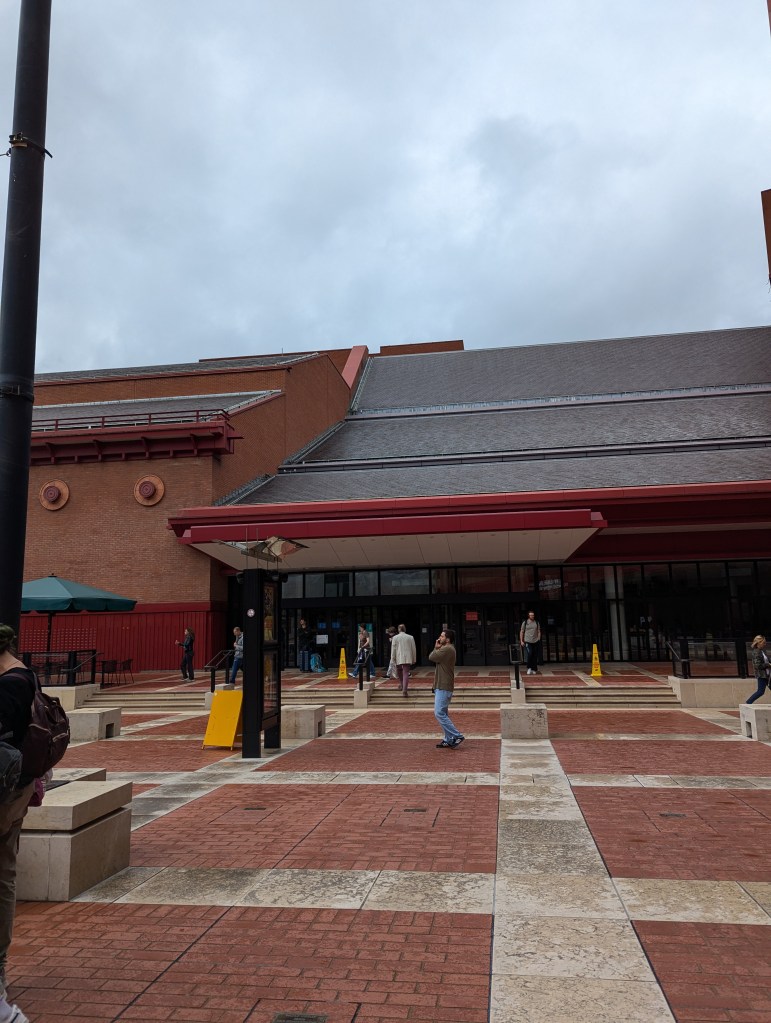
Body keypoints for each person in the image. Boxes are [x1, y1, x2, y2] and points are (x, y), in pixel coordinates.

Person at [0, 624, 37, 1023]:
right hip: (18, 791)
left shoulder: (10, 685)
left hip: (6, 795)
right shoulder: (23, 675)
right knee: (5, 874)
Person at [430, 628, 464, 748]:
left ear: (448, 639)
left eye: (442, 636)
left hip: (444, 685)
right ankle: (448, 739)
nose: (440, 638)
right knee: (443, 713)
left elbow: (431, 657)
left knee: (439, 713)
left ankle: (457, 735)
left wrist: (436, 647)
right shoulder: (447, 649)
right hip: (441, 685)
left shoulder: (447, 649)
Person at [391, 624, 416, 697]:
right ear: (405, 629)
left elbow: (393, 649)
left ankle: (402, 685)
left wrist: (392, 658)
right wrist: (414, 658)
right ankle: (404, 689)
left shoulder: (395, 637)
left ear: (399, 629)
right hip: (407, 657)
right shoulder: (410, 637)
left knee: (399, 671)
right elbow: (413, 648)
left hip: (398, 657)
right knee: (406, 673)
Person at [745, 635, 770, 704]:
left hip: (767, 675)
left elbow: (766, 661)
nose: (765, 644)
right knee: (760, 691)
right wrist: (768, 665)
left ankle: (748, 702)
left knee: (760, 691)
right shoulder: (756, 652)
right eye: (763, 643)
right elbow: (757, 665)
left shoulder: (761, 651)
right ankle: (748, 702)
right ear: (759, 643)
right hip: (762, 675)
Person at [520, 611, 541, 675]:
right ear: (528, 616)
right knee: (530, 654)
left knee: (535, 655)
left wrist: (539, 638)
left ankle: (534, 669)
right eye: (531, 615)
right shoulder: (525, 622)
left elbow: (539, 631)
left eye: (533, 615)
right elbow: (522, 632)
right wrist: (521, 641)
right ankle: (529, 668)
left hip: (535, 641)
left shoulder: (536, 622)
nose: (532, 616)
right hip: (528, 641)